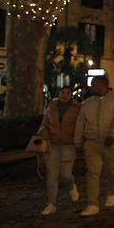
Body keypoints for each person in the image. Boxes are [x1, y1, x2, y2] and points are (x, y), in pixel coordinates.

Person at [73, 76, 114, 217]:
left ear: (102, 85)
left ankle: (112, 192)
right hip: (92, 142)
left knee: (111, 169)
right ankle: (92, 203)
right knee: (92, 173)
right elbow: (80, 122)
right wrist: (77, 141)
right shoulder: (87, 103)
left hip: (111, 142)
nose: (91, 87)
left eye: (93, 85)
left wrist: (113, 134)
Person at [37, 86, 82, 215]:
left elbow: (81, 124)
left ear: (71, 95)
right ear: (59, 93)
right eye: (63, 92)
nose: (65, 95)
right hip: (52, 144)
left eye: (68, 93)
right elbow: (43, 124)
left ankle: (71, 185)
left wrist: (79, 140)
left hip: (68, 145)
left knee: (65, 175)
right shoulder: (51, 108)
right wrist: (43, 131)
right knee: (52, 175)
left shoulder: (77, 109)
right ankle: (51, 203)